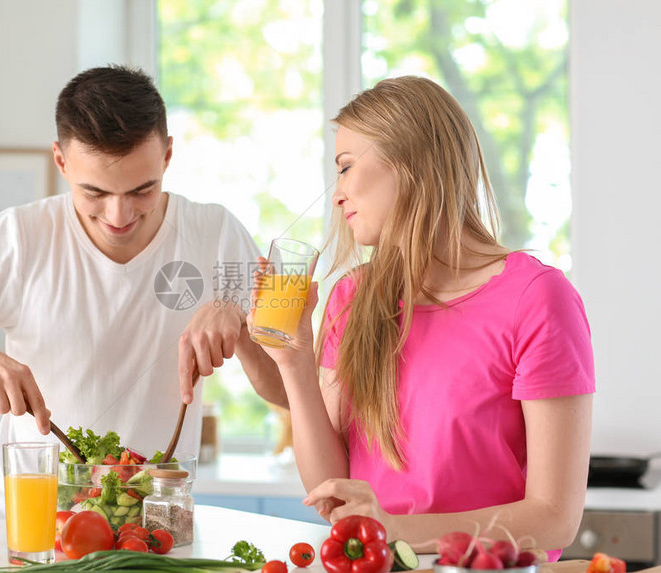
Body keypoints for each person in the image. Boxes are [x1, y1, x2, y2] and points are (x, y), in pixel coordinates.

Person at [0, 65, 280, 521]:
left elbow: (287, 391)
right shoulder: (17, 237)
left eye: (143, 189)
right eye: (94, 191)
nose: (119, 215)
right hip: (16, 530)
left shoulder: (216, 235)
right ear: (61, 161)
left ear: (168, 155)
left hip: (152, 535)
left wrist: (240, 318)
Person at [252, 76, 594, 556]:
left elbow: (554, 518)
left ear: (410, 164)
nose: (337, 194)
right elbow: (332, 488)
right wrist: (293, 360)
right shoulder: (353, 296)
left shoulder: (537, 298)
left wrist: (393, 528)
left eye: (347, 167)